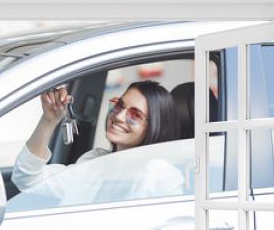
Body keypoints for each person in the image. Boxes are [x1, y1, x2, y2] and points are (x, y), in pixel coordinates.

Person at [11, 80, 181, 193]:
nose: (119, 116)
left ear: (155, 127)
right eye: (119, 105)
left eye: (135, 115)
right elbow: (27, 179)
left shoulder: (159, 174)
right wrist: (49, 120)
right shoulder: (95, 161)